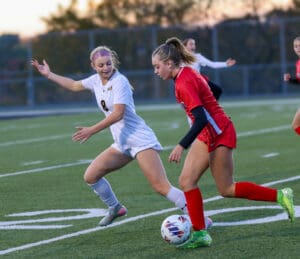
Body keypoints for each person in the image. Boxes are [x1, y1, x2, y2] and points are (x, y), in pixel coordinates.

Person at [31, 46, 213, 228]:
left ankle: (201, 220)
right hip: (122, 143)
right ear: (93, 66)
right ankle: (115, 207)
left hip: (139, 139)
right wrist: (49, 74)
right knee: (91, 176)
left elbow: (118, 113)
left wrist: (92, 130)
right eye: (101, 65)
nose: (105, 68)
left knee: (160, 186)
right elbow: (73, 85)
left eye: (108, 63)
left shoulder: (120, 82)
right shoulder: (95, 80)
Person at [151, 37, 295, 249]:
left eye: (157, 66)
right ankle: (201, 234)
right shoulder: (186, 75)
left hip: (220, 134)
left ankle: (281, 195)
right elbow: (214, 90)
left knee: (226, 188)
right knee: (187, 180)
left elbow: (200, 118)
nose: (155, 71)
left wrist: (181, 145)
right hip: (207, 134)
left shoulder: (184, 81)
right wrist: (209, 105)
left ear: (170, 63)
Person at [283, 36, 300, 135]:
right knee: (295, 125)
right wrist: (291, 80)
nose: (298, 48)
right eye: (296, 46)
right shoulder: (298, 63)